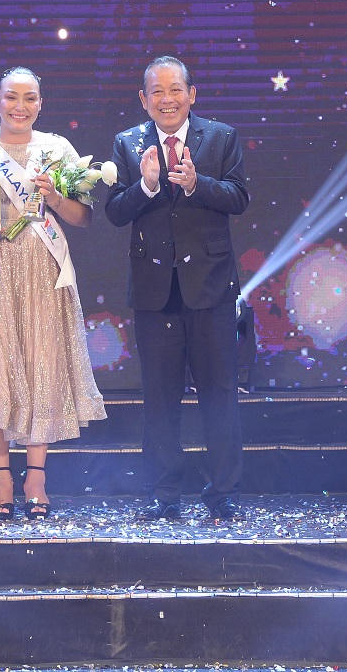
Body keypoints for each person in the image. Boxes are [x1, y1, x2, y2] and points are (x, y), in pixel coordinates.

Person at [0, 67, 106, 520]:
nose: (20, 106)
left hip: (41, 269)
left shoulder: (56, 150)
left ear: (41, 103)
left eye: (30, 98)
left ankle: (36, 476)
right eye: (11, 97)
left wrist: (55, 198)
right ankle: (0, 477)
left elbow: (83, 218)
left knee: (39, 364)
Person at [105, 56, 249, 521]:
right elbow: (115, 211)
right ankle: (164, 494)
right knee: (160, 399)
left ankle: (222, 493)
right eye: (157, 92)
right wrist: (146, 186)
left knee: (219, 395)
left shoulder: (220, 137)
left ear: (192, 94)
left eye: (175, 90)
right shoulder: (127, 143)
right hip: (155, 291)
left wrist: (196, 184)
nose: (166, 99)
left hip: (210, 287)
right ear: (143, 99)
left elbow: (239, 197)